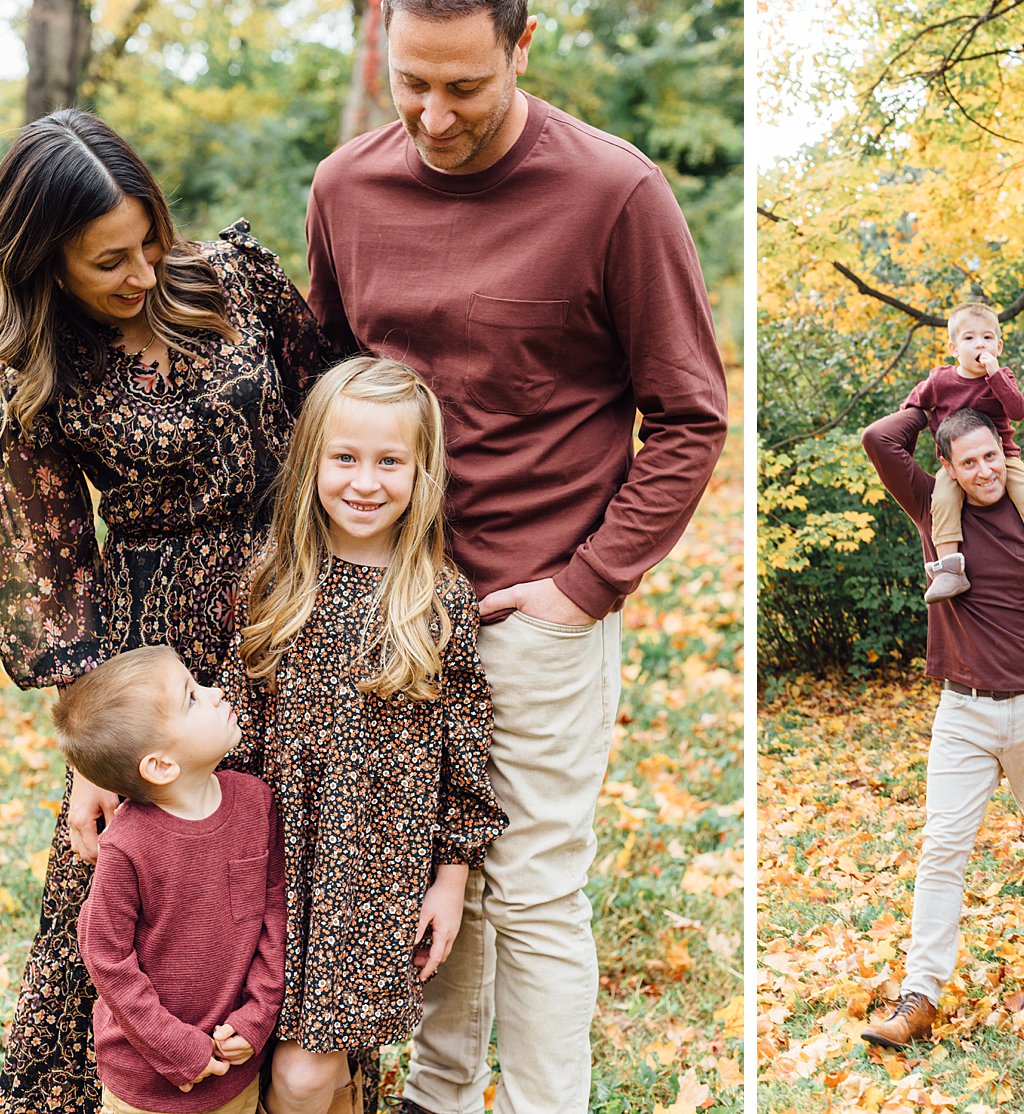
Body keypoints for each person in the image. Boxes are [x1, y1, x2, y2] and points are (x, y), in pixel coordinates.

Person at [303, 1, 729, 1109]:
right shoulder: (345, 188)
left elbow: (689, 414)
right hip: (386, 614)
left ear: (523, 46)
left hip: (534, 610)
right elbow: (328, 395)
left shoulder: (615, 193)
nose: (433, 118)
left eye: (464, 88)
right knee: (427, 882)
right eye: (410, 85)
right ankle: (438, 1100)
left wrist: (584, 589)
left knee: (530, 893)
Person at [0, 108, 332, 1114]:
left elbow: (334, 401)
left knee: (292, 872)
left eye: (149, 237)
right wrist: (89, 760)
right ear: (47, 263)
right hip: (162, 660)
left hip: (299, 605)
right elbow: (50, 574)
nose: (143, 271)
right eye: (110, 260)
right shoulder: (36, 376)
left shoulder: (234, 276)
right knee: (133, 889)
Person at [218, 358, 506, 1114]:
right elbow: (234, 740)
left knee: (306, 1073)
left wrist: (451, 878)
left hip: (369, 883)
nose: (365, 482)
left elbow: (464, 753)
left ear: (423, 472)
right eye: (344, 457)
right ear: (311, 458)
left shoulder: (435, 596)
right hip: (271, 869)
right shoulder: (271, 580)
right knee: (294, 1062)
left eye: (390, 462)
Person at [857, 405, 1024, 1049]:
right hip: (963, 711)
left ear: (1007, 451)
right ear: (947, 468)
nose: (984, 471)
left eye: (991, 456)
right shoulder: (932, 508)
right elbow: (878, 439)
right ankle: (920, 995)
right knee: (942, 847)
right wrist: (932, 399)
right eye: (967, 462)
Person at [62, 644, 285, 1114]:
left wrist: (257, 1017)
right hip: (145, 1084)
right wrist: (176, 1047)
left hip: (234, 1066)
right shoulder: (127, 845)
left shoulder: (255, 803)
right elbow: (106, 957)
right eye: (191, 697)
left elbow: (273, 916)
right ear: (161, 765)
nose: (214, 692)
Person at [904, 302, 1024, 603]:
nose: (979, 344)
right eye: (969, 338)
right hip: (957, 465)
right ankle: (949, 569)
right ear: (954, 348)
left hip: (1004, 456)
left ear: (998, 346)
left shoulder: (1001, 377)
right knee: (943, 499)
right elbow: (910, 408)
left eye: (987, 338)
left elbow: (1019, 410)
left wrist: (995, 374)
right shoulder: (940, 381)